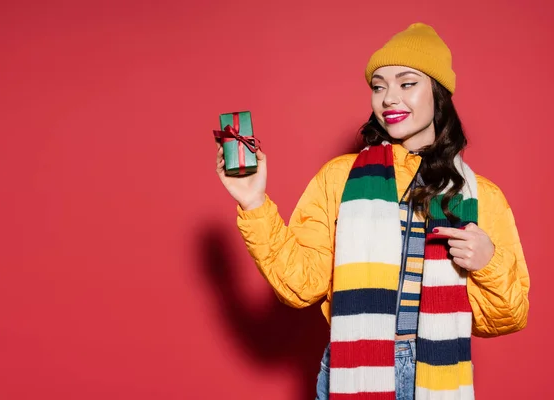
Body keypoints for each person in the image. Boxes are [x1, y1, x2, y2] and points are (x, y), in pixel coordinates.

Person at [215, 22, 530, 400]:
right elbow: (302, 286)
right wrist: (254, 204)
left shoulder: (481, 196)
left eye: (407, 83)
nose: (388, 98)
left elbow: (510, 315)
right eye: (379, 86)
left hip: (435, 371)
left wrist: (488, 262)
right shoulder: (339, 178)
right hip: (351, 365)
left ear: (438, 93)